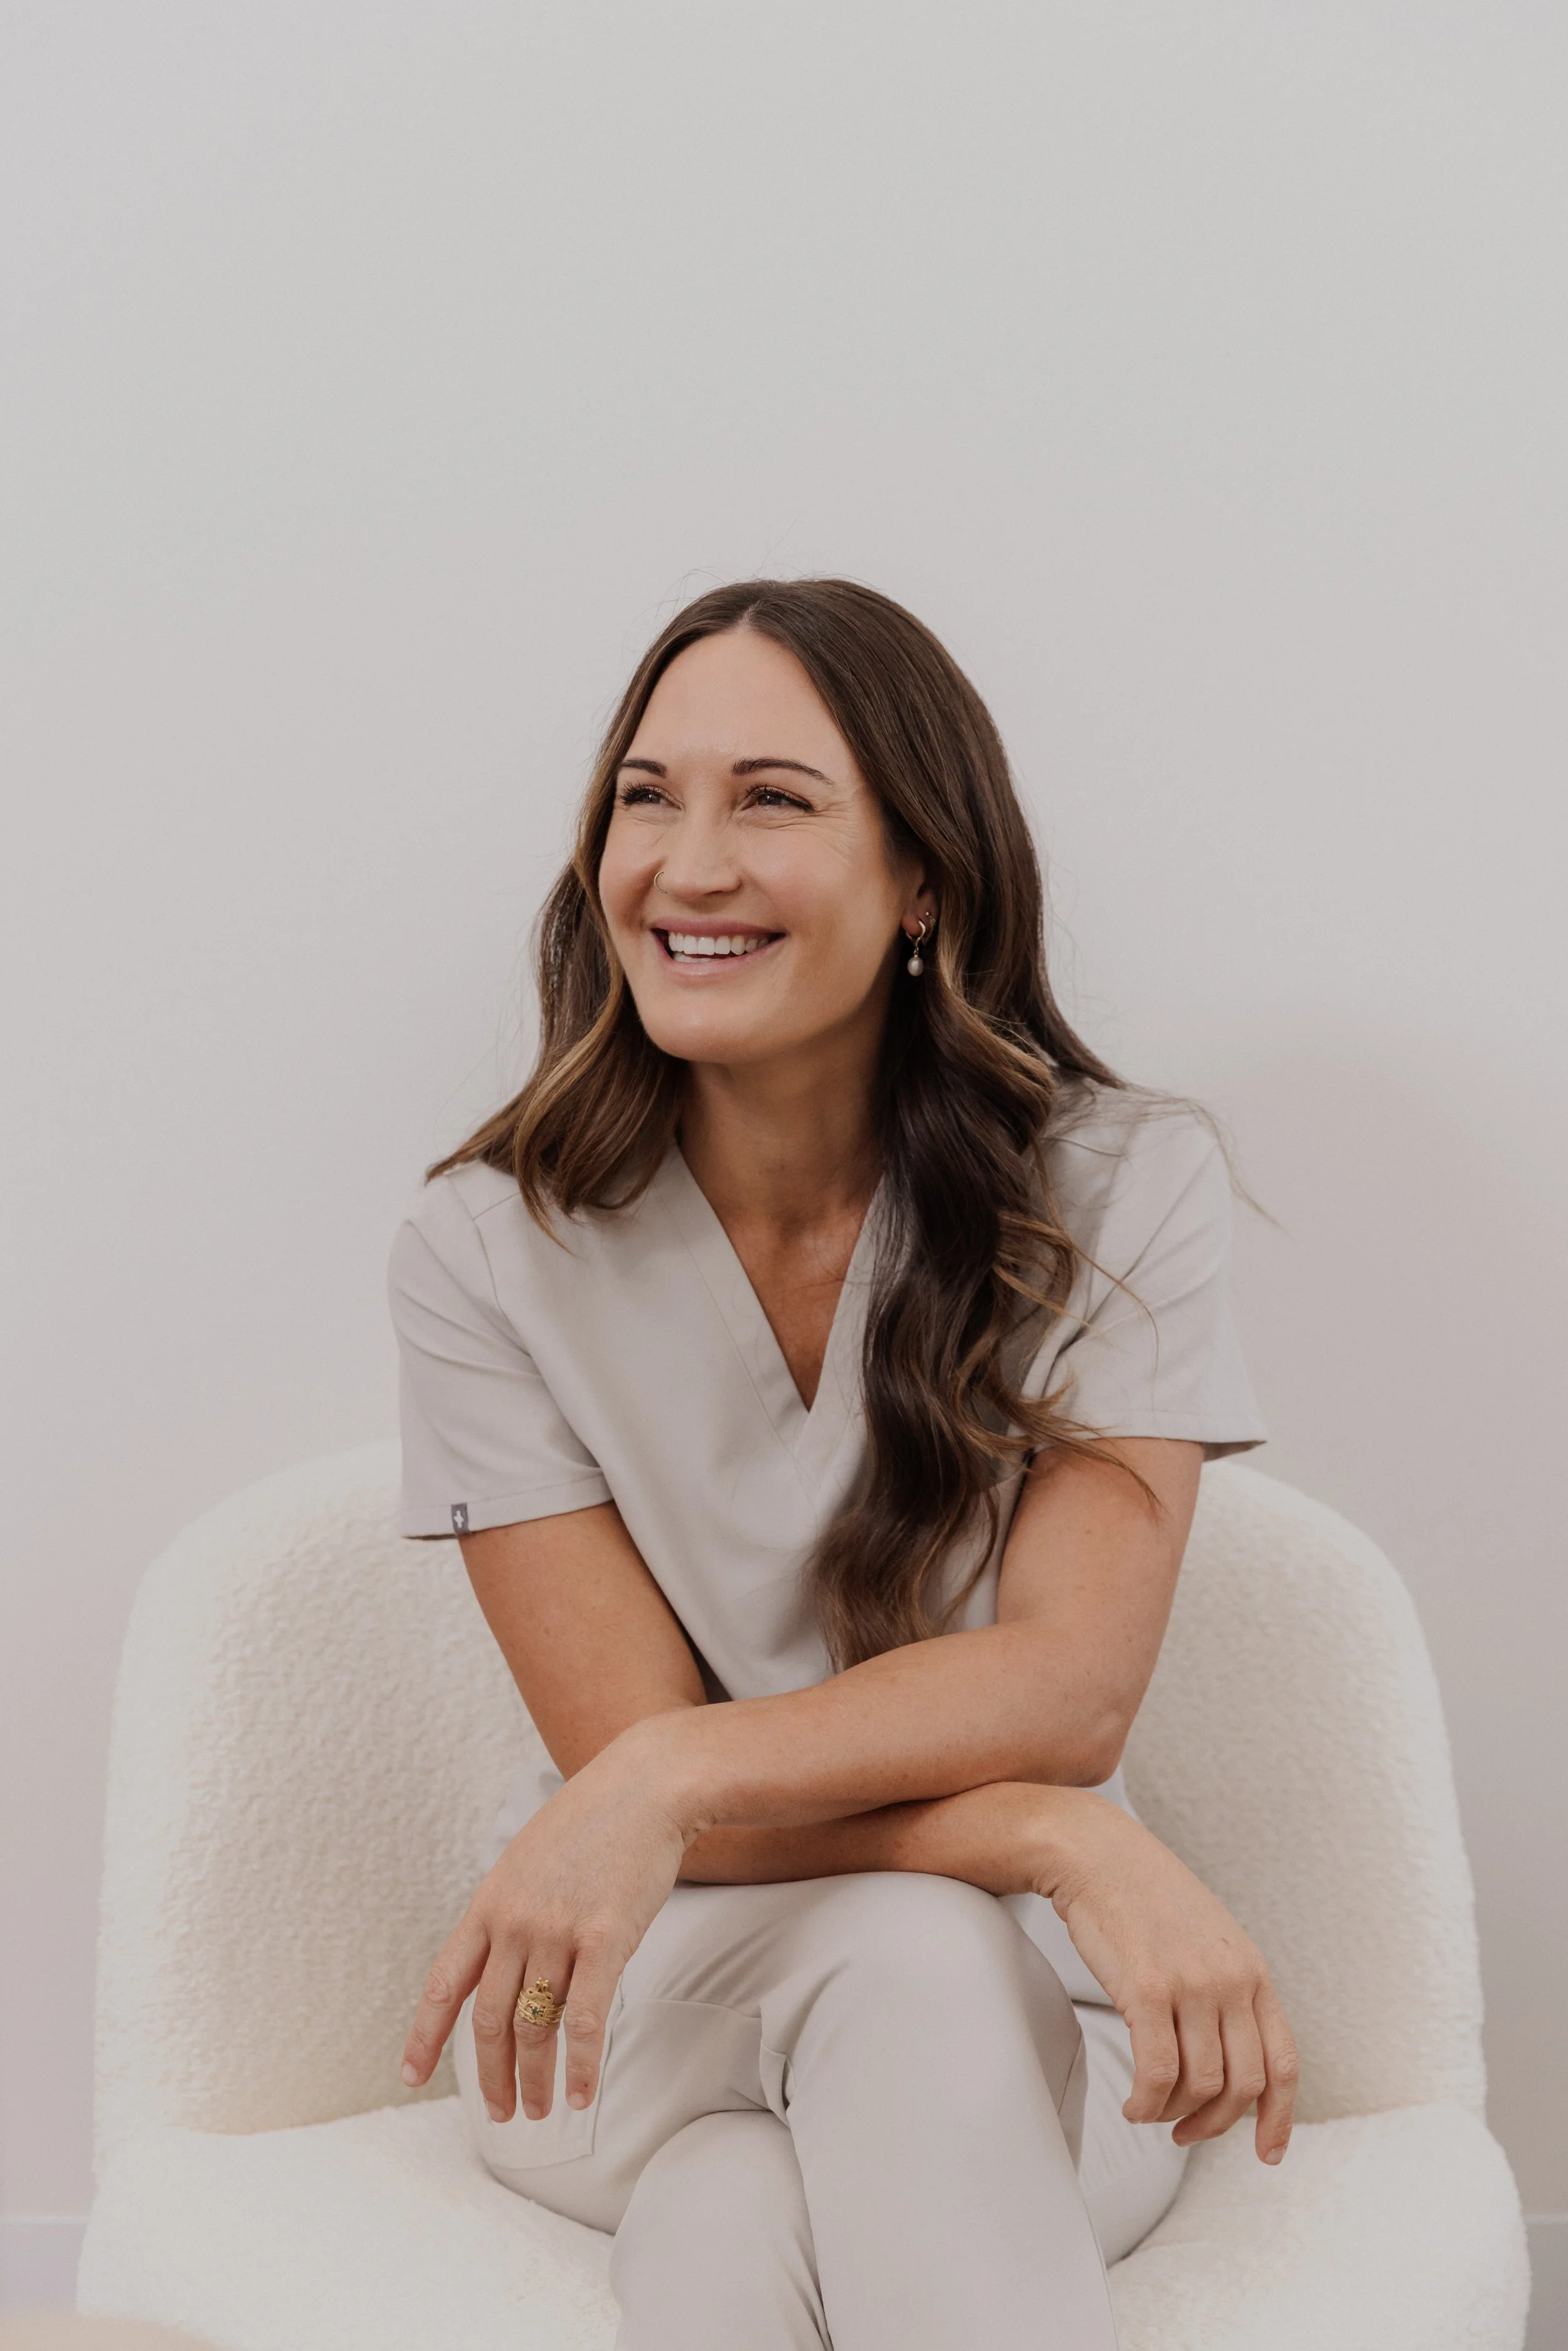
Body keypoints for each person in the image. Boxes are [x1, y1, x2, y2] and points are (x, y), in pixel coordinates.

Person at [389, 578, 1298, 2351]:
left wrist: (670, 1778)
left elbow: (1068, 1681)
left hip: (1039, 2015)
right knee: (898, 1947)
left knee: (733, 2220)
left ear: (928, 880)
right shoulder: (485, 1246)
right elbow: (636, 1794)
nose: (685, 862)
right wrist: (1037, 1834)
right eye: (645, 796)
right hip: (645, 2001)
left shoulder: (1115, 1193)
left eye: (772, 800)